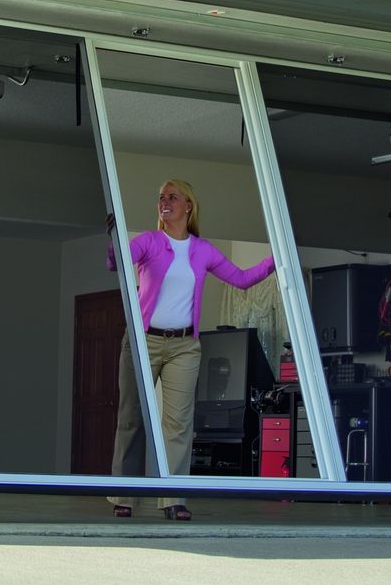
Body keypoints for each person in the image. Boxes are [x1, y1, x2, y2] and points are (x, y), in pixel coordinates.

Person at [106, 178, 275, 521]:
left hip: (185, 346)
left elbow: (241, 279)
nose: (164, 201)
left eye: (172, 197)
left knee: (179, 425)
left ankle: (173, 499)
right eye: (160, 198)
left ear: (188, 206)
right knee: (132, 419)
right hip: (144, 341)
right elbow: (119, 263)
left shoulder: (202, 250)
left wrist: (276, 259)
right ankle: (124, 496)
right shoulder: (149, 242)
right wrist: (112, 241)